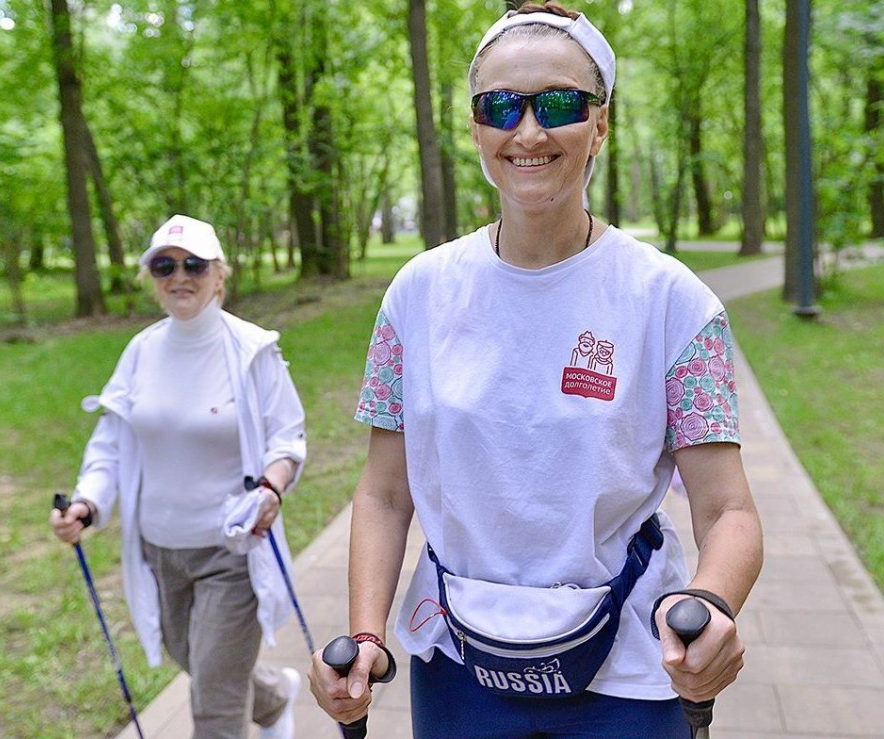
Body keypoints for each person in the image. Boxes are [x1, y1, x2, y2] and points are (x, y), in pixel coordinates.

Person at [308, 3, 763, 737]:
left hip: (628, 668)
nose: (528, 131)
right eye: (500, 107)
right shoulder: (415, 296)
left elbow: (728, 510)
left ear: (601, 124)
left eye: (558, 104)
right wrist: (365, 635)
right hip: (459, 666)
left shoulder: (675, 301)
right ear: (475, 127)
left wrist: (712, 602)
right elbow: (385, 492)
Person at [50, 214, 307, 739]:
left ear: (219, 275)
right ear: (150, 277)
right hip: (160, 550)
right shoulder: (141, 351)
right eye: (164, 266)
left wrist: (273, 487)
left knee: (213, 703)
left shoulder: (253, 348)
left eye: (194, 264)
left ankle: (258, 706)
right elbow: (110, 445)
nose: (180, 276)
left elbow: (288, 439)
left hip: (230, 549)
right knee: (193, 657)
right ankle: (275, 698)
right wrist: (87, 504)